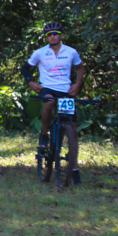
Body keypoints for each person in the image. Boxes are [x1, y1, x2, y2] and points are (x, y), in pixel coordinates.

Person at [21, 21, 85, 185]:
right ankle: (44, 135)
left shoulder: (71, 51)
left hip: (66, 90)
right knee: (49, 102)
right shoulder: (40, 52)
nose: (53, 37)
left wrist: (77, 84)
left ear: (61, 35)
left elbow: (80, 67)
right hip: (47, 88)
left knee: (72, 129)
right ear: (46, 37)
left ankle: (74, 168)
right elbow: (25, 68)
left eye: (55, 34)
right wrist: (30, 82)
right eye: (49, 34)